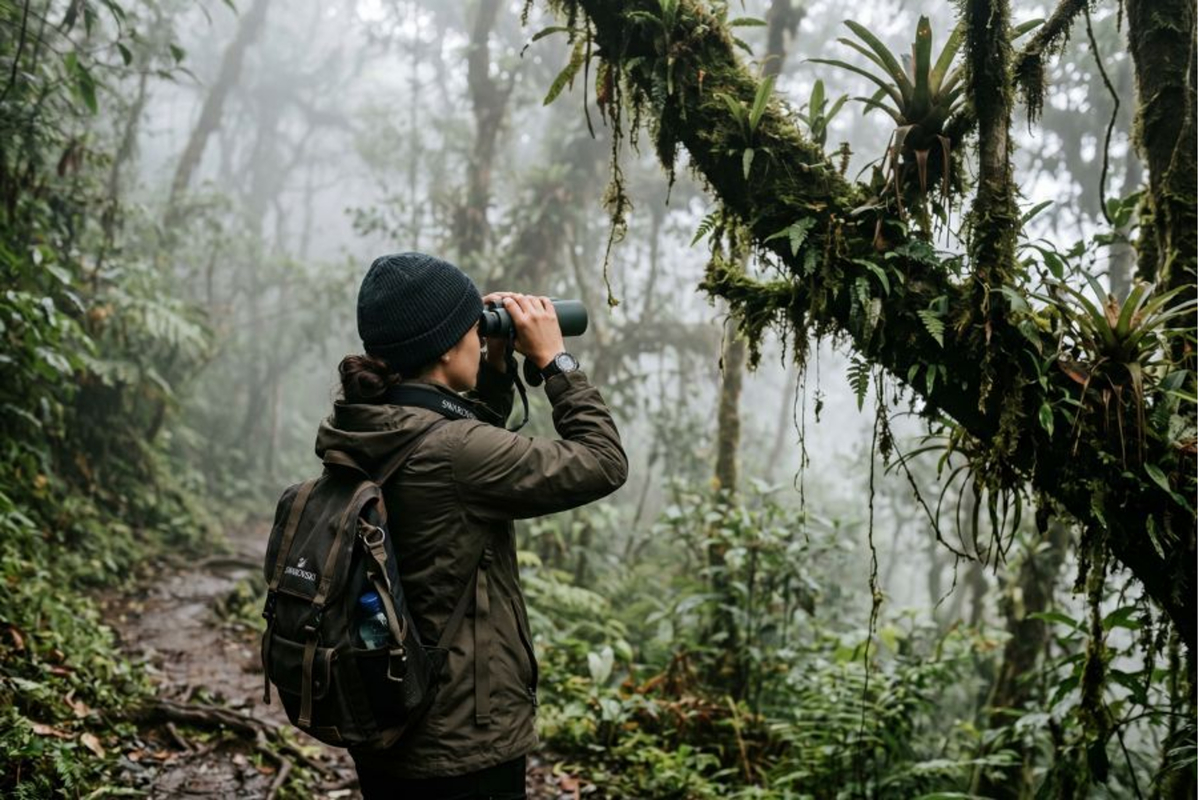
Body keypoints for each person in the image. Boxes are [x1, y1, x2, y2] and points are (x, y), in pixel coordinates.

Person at [314, 252, 627, 799]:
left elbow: (462, 443)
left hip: (388, 713)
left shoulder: (365, 423)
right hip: (461, 740)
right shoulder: (456, 453)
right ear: (443, 347)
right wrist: (557, 363)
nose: (479, 341)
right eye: (472, 332)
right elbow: (603, 461)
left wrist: (500, 365)